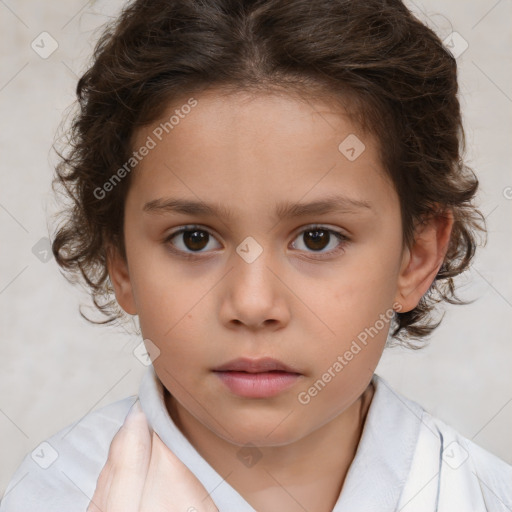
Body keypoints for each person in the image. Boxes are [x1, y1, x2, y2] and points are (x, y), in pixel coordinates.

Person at [1, 0, 510, 510]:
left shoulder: (486, 496)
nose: (252, 303)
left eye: (317, 238)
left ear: (415, 257)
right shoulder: (50, 493)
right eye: (194, 239)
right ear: (122, 262)